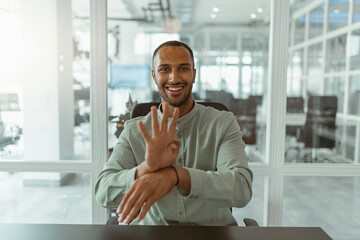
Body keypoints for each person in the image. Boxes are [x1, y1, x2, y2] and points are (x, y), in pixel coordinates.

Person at [95, 40, 253, 226]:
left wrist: (176, 175)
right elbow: (103, 193)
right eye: (164, 69)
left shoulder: (223, 123)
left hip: (212, 234)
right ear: (154, 76)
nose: (174, 78)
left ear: (194, 74)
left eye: (183, 68)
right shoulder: (134, 130)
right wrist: (146, 168)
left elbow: (241, 189)